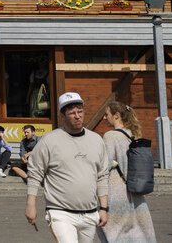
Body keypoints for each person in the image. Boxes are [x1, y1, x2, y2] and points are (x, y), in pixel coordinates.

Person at [25, 92, 109, 241]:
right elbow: (35, 173)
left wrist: (103, 208)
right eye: (72, 113)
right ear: (62, 115)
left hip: (90, 213)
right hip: (60, 213)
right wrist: (31, 204)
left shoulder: (96, 140)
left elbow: (102, 175)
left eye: (80, 111)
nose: (77, 116)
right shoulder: (49, 141)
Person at [98, 101, 156, 242]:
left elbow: (104, 166)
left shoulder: (110, 136)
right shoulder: (133, 135)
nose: (104, 118)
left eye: (106, 115)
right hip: (135, 192)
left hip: (116, 193)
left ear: (116, 115)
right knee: (137, 235)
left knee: (115, 235)